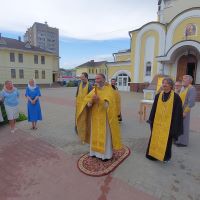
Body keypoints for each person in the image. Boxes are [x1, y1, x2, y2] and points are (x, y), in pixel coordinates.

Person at [76, 73, 122, 160]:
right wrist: (91, 101)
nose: (97, 80)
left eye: (99, 78)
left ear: (104, 79)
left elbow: (110, 106)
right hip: (95, 117)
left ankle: (106, 155)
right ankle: (94, 153)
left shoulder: (109, 90)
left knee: (105, 137)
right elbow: (88, 104)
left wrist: (100, 101)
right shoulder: (94, 90)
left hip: (105, 118)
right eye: (96, 79)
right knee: (94, 135)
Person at [146, 77, 183, 162]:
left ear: (171, 85)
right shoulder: (158, 96)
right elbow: (154, 109)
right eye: (163, 83)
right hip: (157, 123)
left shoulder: (176, 98)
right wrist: (151, 119)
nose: (164, 84)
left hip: (168, 124)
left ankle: (165, 157)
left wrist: (175, 125)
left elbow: (178, 113)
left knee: (166, 140)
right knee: (155, 138)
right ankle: (153, 155)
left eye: (166, 83)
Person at [175, 75, 196, 147]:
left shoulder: (191, 88)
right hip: (179, 109)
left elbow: (191, 102)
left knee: (184, 125)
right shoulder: (183, 87)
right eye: (183, 79)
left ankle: (183, 142)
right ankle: (178, 139)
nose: (183, 80)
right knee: (179, 125)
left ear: (190, 81)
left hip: (185, 110)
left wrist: (185, 112)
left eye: (185, 79)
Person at [75, 72, 93, 140]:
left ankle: (85, 134)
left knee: (85, 120)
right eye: (80, 77)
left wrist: (89, 103)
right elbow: (77, 94)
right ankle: (78, 131)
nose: (81, 78)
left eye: (82, 76)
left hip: (85, 106)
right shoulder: (79, 84)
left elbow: (91, 95)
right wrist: (76, 102)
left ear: (86, 77)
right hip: (79, 105)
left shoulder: (90, 85)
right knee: (78, 118)